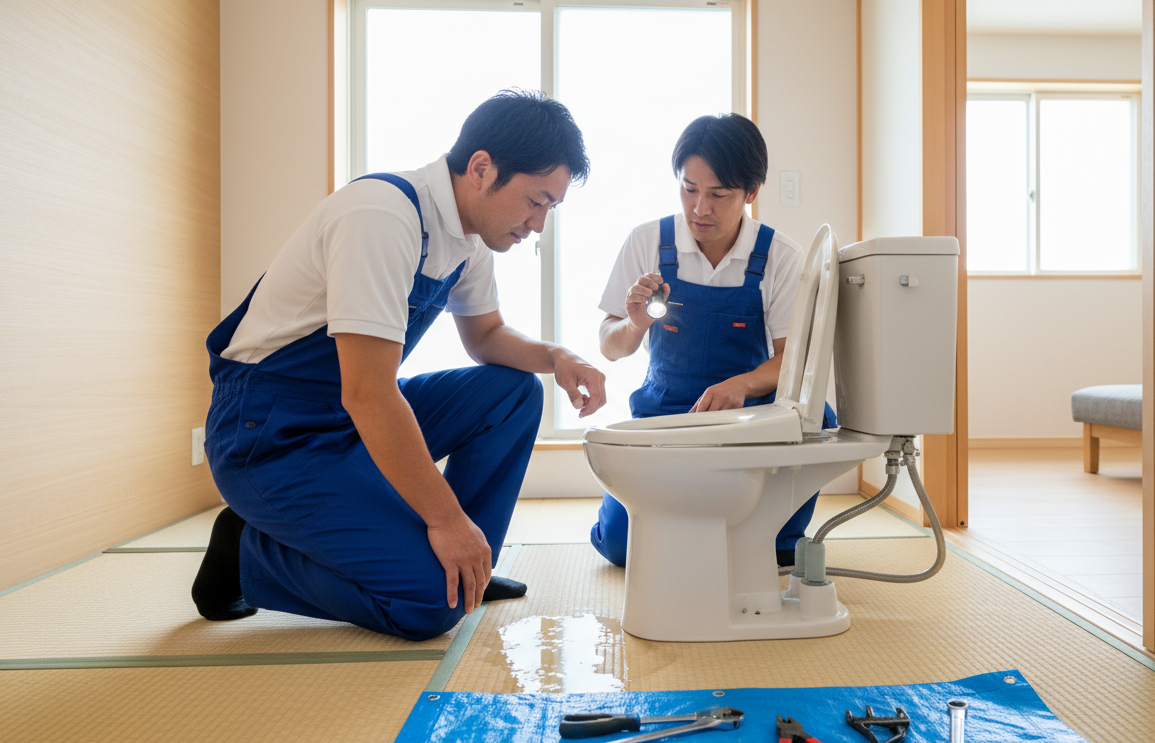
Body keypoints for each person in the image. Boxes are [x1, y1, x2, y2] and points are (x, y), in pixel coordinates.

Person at [193, 90, 606, 641]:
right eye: (536, 201)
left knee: (513, 393)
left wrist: (558, 356)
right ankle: (246, 552)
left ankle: (468, 566)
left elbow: (486, 337)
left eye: (550, 208)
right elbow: (368, 393)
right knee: (429, 605)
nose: (538, 224)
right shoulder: (381, 215)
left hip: (346, 418)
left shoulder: (470, 239)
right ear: (482, 168)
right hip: (270, 435)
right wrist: (445, 518)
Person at [589, 113, 834, 568]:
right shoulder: (647, 241)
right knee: (622, 549)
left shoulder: (780, 257)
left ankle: (778, 534)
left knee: (817, 416)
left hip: (748, 415)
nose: (700, 208)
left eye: (718, 194)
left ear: (751, 192)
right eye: (689, 189)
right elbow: (609, 346)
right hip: (667, 411)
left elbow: (793, 360)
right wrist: (636, 324)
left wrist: (741, 385)